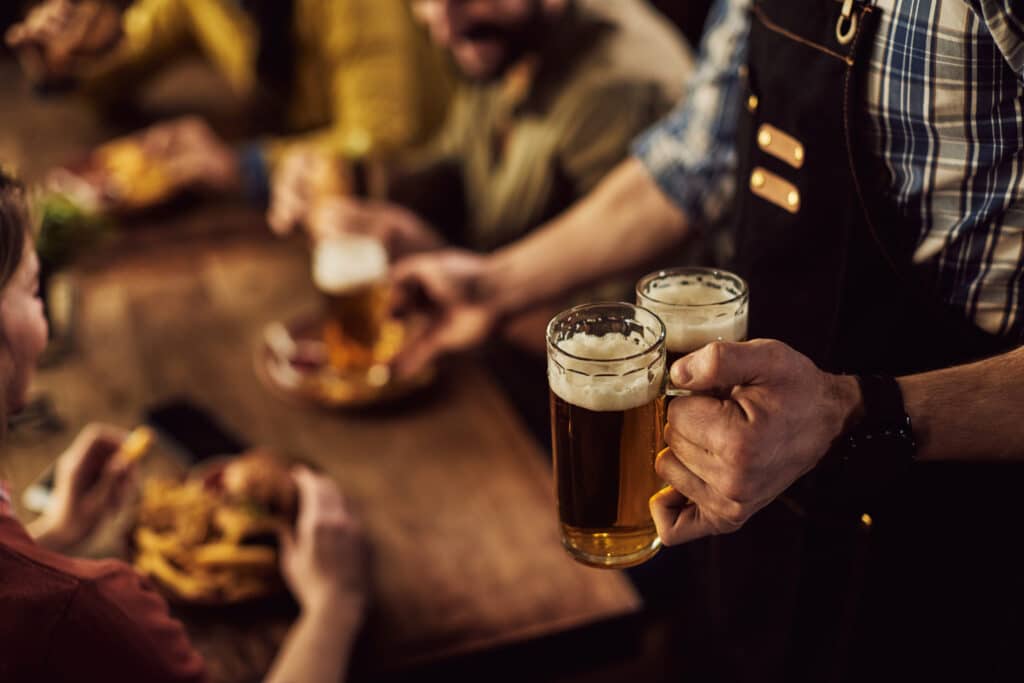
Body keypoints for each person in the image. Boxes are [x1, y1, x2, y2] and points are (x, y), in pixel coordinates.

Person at [391, 0, 1024, 679]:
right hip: (759, 504)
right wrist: (489, 287)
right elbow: (694, 161)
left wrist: (856, 409)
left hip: (947, 541)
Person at [0, 171, 369, 681]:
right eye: (32, 291)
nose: (43, 321)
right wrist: (335, 606)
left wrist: (50, 539)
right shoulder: (95, 610)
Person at [5, 0, 453, 206]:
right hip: (304, 196)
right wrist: (67, 58)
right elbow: (128, 60)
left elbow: (387, 139)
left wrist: (245, 168)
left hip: (436, 196)